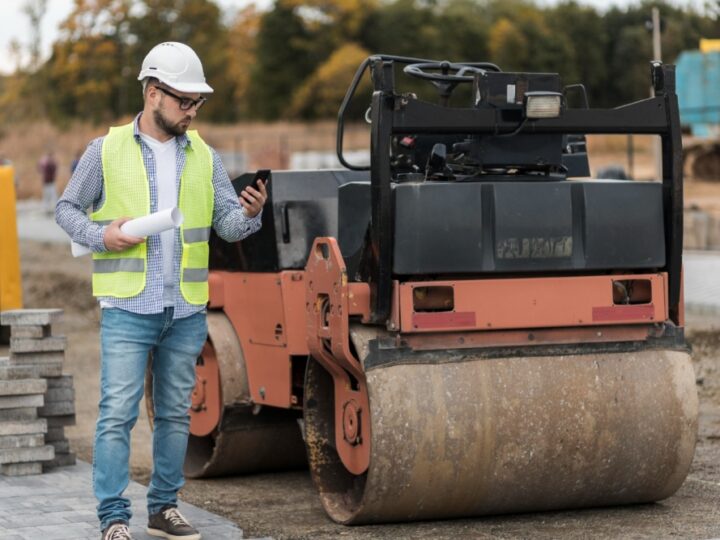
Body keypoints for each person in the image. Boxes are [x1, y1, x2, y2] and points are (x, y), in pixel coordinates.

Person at [56, 42, 268, 540]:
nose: (193, 111)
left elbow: (227, 226)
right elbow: (66, 210)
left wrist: (251, 215)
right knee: (117, 415)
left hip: (186, 309)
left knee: (175, 413)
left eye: (199, 103)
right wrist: (102, 235)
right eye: (184, 101)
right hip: (129, 307)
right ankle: (113, 517)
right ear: (153, 93)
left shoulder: (206, 157)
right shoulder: (104, 150)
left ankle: (163, 507)